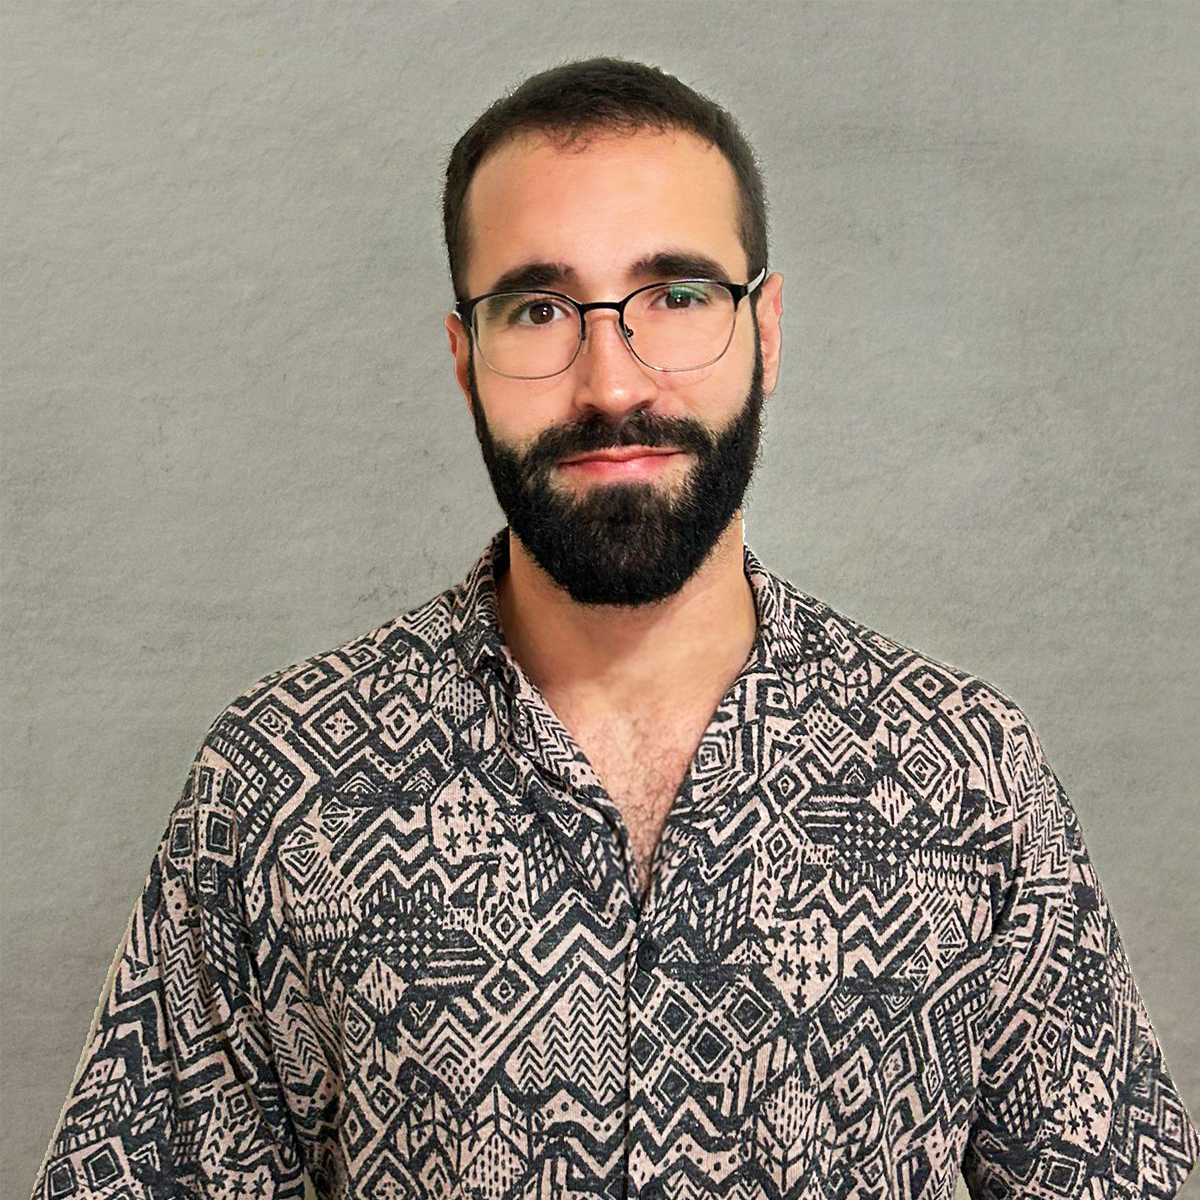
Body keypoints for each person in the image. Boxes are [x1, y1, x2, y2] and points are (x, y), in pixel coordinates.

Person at [32, 56, 1197, 1200]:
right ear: (464, 357)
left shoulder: (968, 776)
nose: (612, 382)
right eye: (539, 308)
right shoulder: (277, 785)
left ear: (768, 331)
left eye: (678, 296)